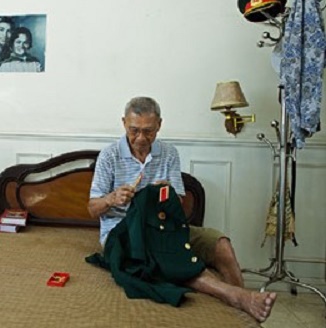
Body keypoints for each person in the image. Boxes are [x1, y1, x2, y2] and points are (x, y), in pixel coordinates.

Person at [87, 97, 276, 323]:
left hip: (166, 226)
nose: (140, 138)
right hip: (124, 233)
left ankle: (241, 316)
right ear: (124, 123)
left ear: (159, 125)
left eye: (148, 131)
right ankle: (236, 297)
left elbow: (181, 206)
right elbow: (92, 209)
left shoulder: (169, 153)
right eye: (133, 130)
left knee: (220, 244)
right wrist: (112, 198)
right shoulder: (109, 156)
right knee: (171, 255)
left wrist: (165, 195)